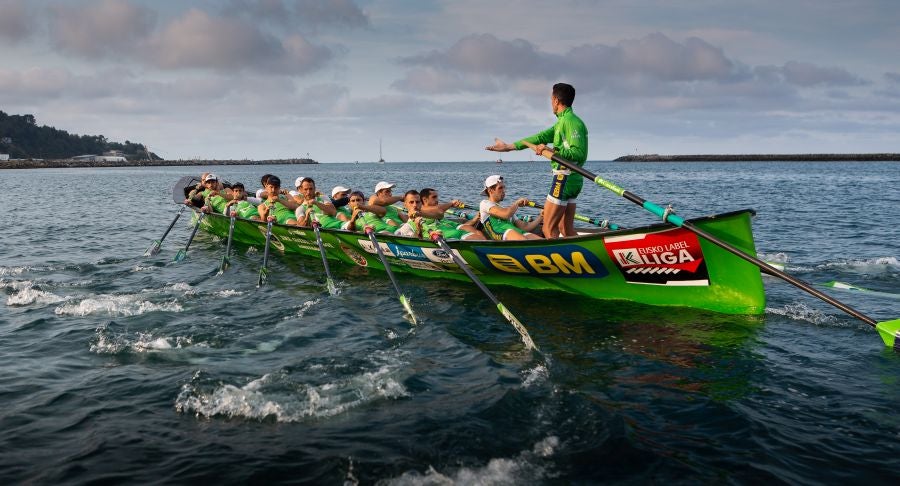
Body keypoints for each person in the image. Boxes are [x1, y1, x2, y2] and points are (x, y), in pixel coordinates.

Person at [486, 82, 587, 238]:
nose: (550, 104)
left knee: (548, 229)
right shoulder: (561, 123)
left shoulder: (571, 122)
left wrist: (554, 151)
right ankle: (582, 257)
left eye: (551, 100)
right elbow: (538, 138)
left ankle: (557, 261)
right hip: (573, 179)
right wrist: (508, 146)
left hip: (564, 178)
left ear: (556, 101)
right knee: (565, 229)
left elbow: (579, 153)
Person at [479, 175, 543, 240]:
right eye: (500, 188)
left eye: (504, 188)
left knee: (543, 242)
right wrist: (517, 203)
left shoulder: (507, 209)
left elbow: (525, 227)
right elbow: (506, 214)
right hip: (502, 233)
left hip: (516, 232)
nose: (504, 191)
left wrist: (541, 216)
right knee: (514, 233)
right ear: (490, 190)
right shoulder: (484, 203)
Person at [418, 187, 485, 240]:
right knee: (472, 236)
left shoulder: (438, 209)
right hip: (441, 233)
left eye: (437, 197)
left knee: (478, 232)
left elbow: (457, 226)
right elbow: (440, 210)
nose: (437, 200)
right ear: (425, 199)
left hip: (451, 229)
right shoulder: (420, 210)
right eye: (434, 197)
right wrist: (452, 203)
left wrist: (474, 219)